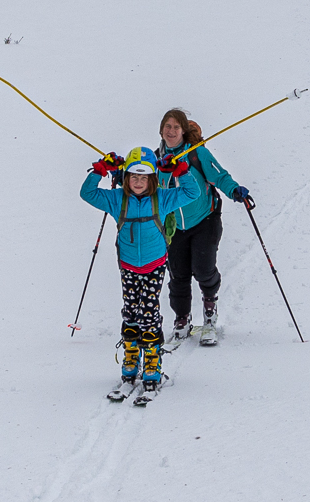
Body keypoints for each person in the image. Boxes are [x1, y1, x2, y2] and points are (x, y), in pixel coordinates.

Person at [80, 145, 212, 397]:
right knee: (130, 311)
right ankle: (131, 363)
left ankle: (153, 365)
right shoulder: (117, 199)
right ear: (126, 178)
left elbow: (192, 191)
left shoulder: (162, 197)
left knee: (148, 311)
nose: (138, 182)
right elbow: (87, 193)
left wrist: (180, 170)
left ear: (152, 179)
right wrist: (100, 170)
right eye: (133, 177)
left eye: (144, 177)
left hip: (154, 265)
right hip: (128, 265)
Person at [155, 109, 254, 347]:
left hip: (204, 220)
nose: (171, 132)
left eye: (176, 127)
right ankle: (182, 319)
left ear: (183, 131)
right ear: (161, 130)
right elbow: (140, 181)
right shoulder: (156, 158)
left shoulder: (197, 153)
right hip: (173, 226)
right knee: (178, 275)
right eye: (167, 127)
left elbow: (219, 176)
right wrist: (121, 175)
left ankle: (209, 313)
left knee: (203, 269)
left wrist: (234, 190)